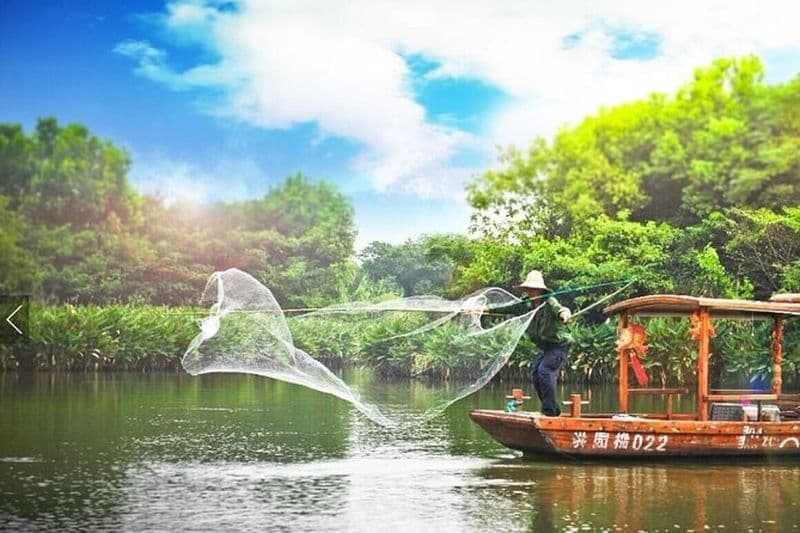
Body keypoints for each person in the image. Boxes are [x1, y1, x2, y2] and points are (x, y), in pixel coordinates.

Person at [490, 270, 573, 416]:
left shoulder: (549, 300)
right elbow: (507, 309)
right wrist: (485, 309)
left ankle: (550, 411)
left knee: (545, 371)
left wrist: (564, 314)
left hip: (559, 345)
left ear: (540, 290)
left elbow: (559, 308)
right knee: (535, 374)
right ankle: (552, 410)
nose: (531, 292)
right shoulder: (526, 304)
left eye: (534, 289)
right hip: (546, 347)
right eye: (529, 289)